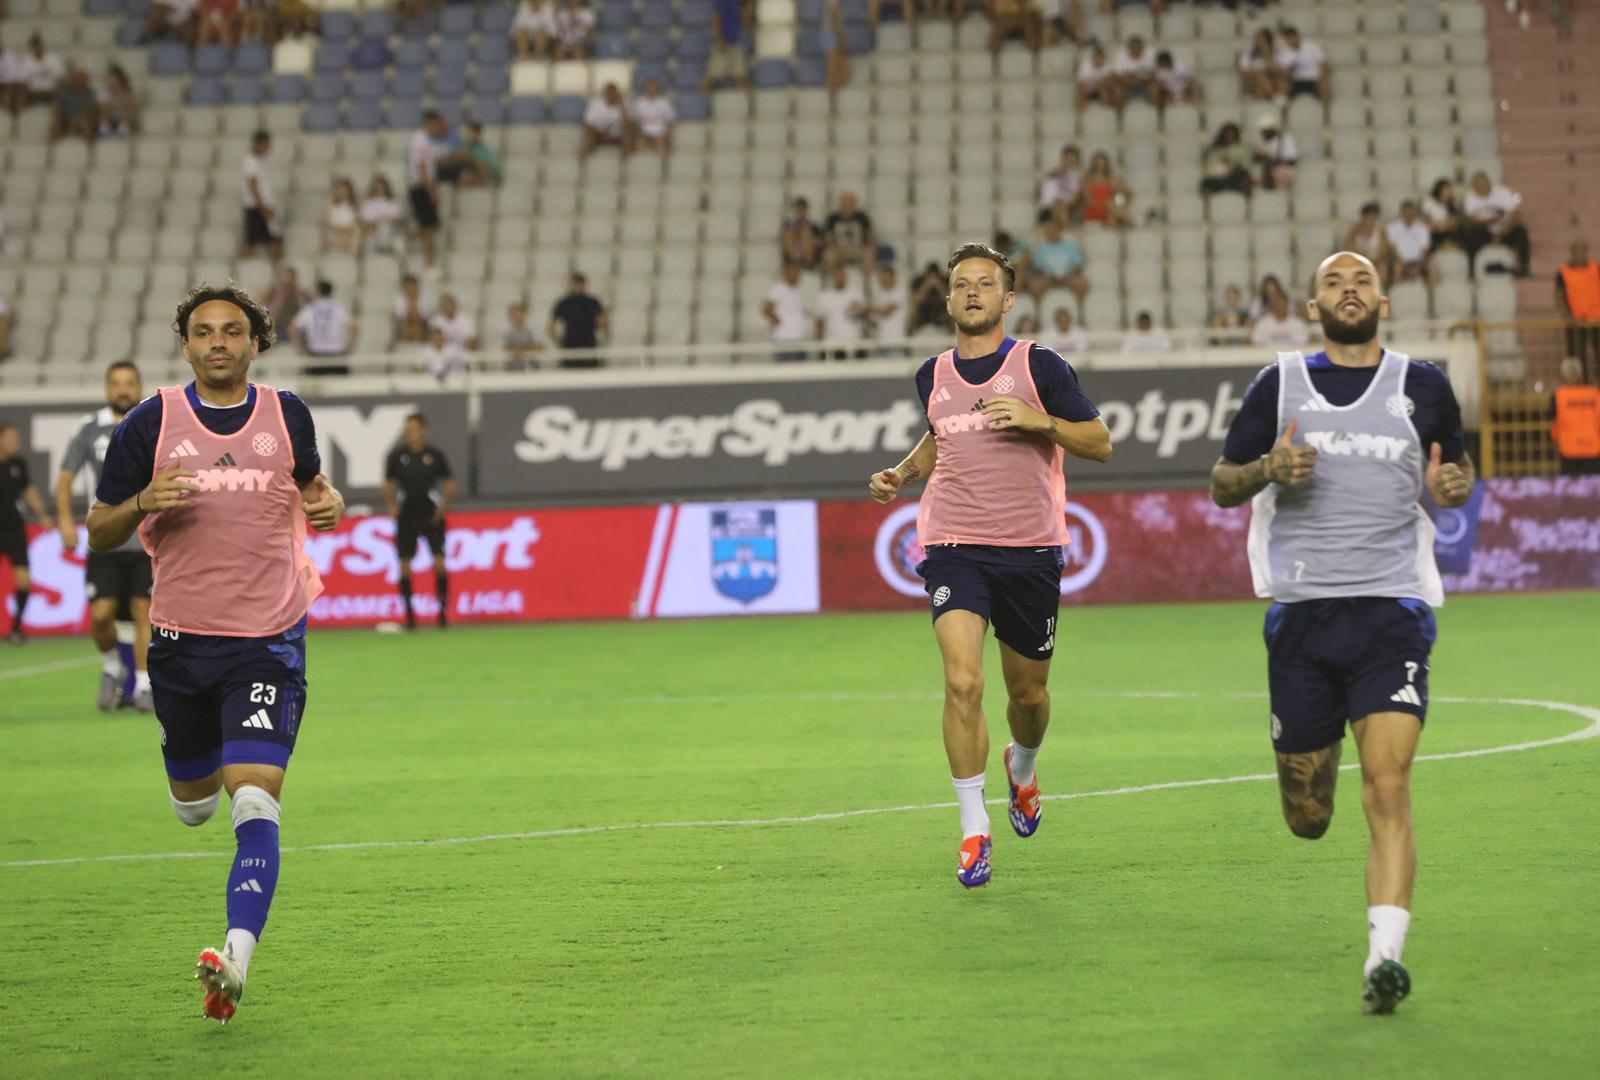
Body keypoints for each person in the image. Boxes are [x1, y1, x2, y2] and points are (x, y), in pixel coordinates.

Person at [1209, 251, 1473, 1017]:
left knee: (1389, 786)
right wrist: (1269, 466)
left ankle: (1383, 959)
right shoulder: (1280, 383)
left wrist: (1456, 482)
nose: (1348, 290)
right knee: (1310, 816)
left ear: (1382, 300)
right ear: (1313, 302)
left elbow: (1455, 466)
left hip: (1391, 613)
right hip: (1302, 617)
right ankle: (1309, 797)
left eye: (1360, 280)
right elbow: (1222, 483)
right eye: (1334, 282)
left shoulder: (1423, 385)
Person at [84, 281, 345, 1024]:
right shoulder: (151, 423)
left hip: (268, 642)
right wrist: (142, 503)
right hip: (178, 647)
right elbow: (100, 529)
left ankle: (234, 957)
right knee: (193, 807)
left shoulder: (287, 414)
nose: (219, 343)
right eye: (204, 332)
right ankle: (190, 785)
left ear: (255, 342)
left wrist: (334, 506)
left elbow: (317, 493)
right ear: (187, 344)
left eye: (233, 331)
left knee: (255, 795)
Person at [866, 241, 1111, 888]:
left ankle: (1022, 767)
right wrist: (903, 472)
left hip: (1031, 550)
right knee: (964, 683)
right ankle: (974, 828)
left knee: (1027, 695)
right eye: (961, 283)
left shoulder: (1041, 366)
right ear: (947, 300)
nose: (972, 291)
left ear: (1007, 299)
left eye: (985, 283)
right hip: (954, 546)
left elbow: (1100, 442)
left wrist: (1040, 420)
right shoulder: (932, 373)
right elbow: (939, 435)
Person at [54, 361, 156, 708]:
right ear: (107, 388)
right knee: (101, 615)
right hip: (105, 537)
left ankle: (144, 685)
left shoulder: (153, 423)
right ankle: (113, 665)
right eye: (116, 383)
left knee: (145, 611)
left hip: (145, 538)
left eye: (129, 382)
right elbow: (65, 480)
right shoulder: (89, 429)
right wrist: (66, 522)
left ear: (139, 386)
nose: (123, 389)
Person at [383, 413, 456, 630]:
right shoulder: (397, 456)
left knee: (440, 563)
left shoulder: (435, 455)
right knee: (405, 565)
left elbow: (450, 483)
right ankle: (410, 618)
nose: (410, 433)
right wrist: (392, 506)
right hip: (406, 515)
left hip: (430, 514)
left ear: (423, 429)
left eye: (413, 428)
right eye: (407, 429)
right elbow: (387, 483)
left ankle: (442, 615)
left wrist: (442, 507)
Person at [1, 420, 56, 643]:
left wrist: (41, 514)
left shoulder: (18, 464)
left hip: (14, 528)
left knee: (24, 581)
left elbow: (29, 489)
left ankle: (16, 629)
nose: (17, 442)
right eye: (13, 438)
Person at [1462, 171, 1530, 276]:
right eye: (1477, 185)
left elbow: (1515, 214)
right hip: (1484, 230)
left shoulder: (1503, 192)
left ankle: (1524, 267)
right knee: (1471, 235)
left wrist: (1502, 232)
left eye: (1482, 184)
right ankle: (1471, 269)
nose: (1480, 187)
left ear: (1488, 183)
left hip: (1505, 229)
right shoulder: (1470, 196)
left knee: (1521, 232)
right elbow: (1471, 220)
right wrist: (1491, 220)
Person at [290, 279, 357, 375]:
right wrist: (349, 349)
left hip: (316, 354)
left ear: (317, 292)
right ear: (331, 291)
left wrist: (302, 350)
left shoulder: (310, 308)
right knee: (341, 388)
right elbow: (355, 328)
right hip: (336, 354)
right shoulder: (338, 307)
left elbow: (292, 329)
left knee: (313, 388)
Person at [406, 111, 447, 266]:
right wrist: (432, 191)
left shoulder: (425, 140)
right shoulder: (420, 141)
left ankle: (404, 239)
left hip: (422, 186)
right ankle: (429, 263)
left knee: (434, 225)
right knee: (429, 227)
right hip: (420, 187)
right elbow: (422, 168)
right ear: (432, 122)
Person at [1555, 240, 1600, 379]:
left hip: (1597, 322)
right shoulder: (1563, 272)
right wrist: (1568, 318)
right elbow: (1559, 296)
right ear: (1572, 253)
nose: (1580, 255)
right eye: (1577, 251)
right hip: (1576, 323)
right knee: (1577, 359)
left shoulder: (1596, 269)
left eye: (1583, 251)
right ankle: (1582, 387)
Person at [1021, 212, 1089, 300]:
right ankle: (1042, 309)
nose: (1051, 231)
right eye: (1049, 229)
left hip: (1068, 277)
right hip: (1049, 279)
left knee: (1083, 284)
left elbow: (1078, 265)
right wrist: (1049, 276)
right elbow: (1037, 268)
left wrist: (1068, 275)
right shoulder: (1041, 248)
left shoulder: (1070, 245)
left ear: (1059, 230)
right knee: (1034, 285)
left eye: (1053, 228)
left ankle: (1076, 308)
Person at [1550, 357, 1600, 474]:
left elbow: (1554, 420)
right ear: (1580, 375)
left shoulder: (1558, 396)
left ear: (1563, 375)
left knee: (1571, 488)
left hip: (1568, 451)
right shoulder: (1595, 394)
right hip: (1594, 449)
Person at [241, 130, 282, 264]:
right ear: (258, 143)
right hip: (256, 207)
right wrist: (264, 209)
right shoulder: (250, 161)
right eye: (266, 145)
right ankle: (243, 270)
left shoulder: (261, 161)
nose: (268, 148)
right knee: (251, 241)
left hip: (265, 205)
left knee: (274, 238)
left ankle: (274, 271)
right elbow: (253, 188)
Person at [549, 273, 606, 367]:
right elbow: (551, 325)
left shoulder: (592, 301)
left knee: (590, 375)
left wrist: (596, 328)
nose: (577, 287)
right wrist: (558, 341)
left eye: (579, 284)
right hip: (569, 344)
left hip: (589, 344)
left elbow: (602, 322)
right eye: (575, 284)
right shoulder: (563, 302)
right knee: (570, 376)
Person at [812, 264, 868, 359]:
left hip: (853, 344)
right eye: (838, 275)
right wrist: (819, 346)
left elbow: (865, 315)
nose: (840, 277)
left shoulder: (855, 294)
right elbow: (819, 322)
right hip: (832, 345)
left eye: (843, 275)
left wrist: (860, 308)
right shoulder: (824, 297)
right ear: (833, 277)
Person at [762, 261, 811, 362]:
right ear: (787, 273)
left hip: (799, 340)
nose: (798, 276)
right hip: (785, 340)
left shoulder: (796, 291)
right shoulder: (779, 289)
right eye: (795, 273)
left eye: (799, 273)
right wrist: (776, 319)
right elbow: (766, 308)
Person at [702, 0, 751, 92]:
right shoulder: (722, 1)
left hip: (735, 44)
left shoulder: (738, 3)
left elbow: (746, 24)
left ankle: (747, 105)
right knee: (712, 76)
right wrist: (719, 39)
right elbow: (715, 19)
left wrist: (745, 6)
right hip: (723, 44)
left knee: (740, 77)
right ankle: (697, 101)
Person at [1345, 201, 1397, 286]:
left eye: (1373, 216)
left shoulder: (1380, 232)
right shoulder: (1354, 231)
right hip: (1358, 260)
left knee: (1383, 266)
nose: (1370, 219)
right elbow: (1349, 248)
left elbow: (1383, 251)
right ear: (1363, 217)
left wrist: (1373, 260)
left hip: (1376, 261)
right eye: (1368, 216)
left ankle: (1379, 290)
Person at [822, 191, 874, 271]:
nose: (848, 206)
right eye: (845, 203)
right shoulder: (833, 218)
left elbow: (870, 235)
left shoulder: (862, 217)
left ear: (855, 204)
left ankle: (867, 280)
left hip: (857, 249)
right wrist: (833, 240)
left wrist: (868, 242)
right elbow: (827, 238)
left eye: (850, 203)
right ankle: (832, 279)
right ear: (841, 204)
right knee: (829, 254)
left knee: (869, 253)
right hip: (839, 249)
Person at [1276, 25, 1329, 103]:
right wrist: (1288, 73)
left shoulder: (1312, 46)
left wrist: (1322, 75)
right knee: (1282, 82)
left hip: (1313, 79)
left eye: (1292, 38)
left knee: (1324, 81)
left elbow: (1323, 63)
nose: (1291, 41)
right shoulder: (1284, 52)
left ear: (1297, 36)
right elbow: (1282, 70)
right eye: (1289, 39)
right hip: (1295, 81)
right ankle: (1282, 110)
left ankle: (1326, 110)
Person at [1386, 200, 1434, 285]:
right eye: (1406, 214)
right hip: (1400, 261)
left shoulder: (1422, 228)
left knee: (1433, 267)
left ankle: (1432, 296)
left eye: (1411, 214)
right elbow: (1392, 249)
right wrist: (1404, 266)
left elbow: (1425, 250)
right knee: (1397, 267)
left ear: (1415, 213)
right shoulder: (1392, 227)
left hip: (1418, 261)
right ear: (1401, 213)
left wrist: (1418, 266)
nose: (1409, 216)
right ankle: (1396, 293)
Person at [1079, 150, 1131, 227]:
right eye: (1098, 163)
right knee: (1110, 205)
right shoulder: (1088, 179)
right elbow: (1088, 200)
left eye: (1102, 163)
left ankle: (1112, 236)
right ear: (1094, 164)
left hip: (1109, 210)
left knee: (1112, 216)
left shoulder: (1110, 179)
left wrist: (1121, 184)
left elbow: (1129, 193)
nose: (1100, 166)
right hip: (1094, 209)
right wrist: (1105, 205)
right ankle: (1129, 219)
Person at [49, 66, 100, 144]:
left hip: (81, 119)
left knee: (85, 123)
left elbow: (90, 110)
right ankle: (51, 149)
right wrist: (60, 115)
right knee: (55, 122)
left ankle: (90, 149)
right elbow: (57, 106)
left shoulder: (90, 93)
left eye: (84, 80)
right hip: (65, 119)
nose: (80, 82)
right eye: (78, 80)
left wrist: (77, 120)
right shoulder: (63, 90)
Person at [1202, 122, 1253, 196]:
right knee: (1207, 182)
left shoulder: (1243, 149)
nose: (1229, 137)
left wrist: (1233, 164)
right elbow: (1210, 166)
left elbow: (1246, 164)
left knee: (1242, 175)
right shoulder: (1215, 150)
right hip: (1218, 177)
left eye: (1232, 134)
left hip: (1235, 176)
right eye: (1227, 134)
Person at [580, 81, 628, 159]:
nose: (611, 95)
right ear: (604, 94)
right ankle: (583, 163)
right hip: (600, 134)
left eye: (613, 93)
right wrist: (600, 130)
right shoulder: (595, 104)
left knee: (628, 134)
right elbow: (587, 123)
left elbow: (627, 124)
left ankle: (625, 164)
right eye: (609, 93)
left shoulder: (622, 105)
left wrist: (621, 106)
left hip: (616, 136)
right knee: (588, 133)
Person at [631, 78, 675, 158]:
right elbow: (634, 120)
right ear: (645, 88)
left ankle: (663, 167)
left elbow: (670, 120)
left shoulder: (664, 102)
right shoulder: (639, 102)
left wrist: (667, 134)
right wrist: (637, 132)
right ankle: (639, 166)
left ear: (657, 88)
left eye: (653, 87)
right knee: (639, 145)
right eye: (649, 87)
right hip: (643, 133)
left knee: (661, 145)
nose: (651, 89)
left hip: (660, 133)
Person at [359, 174, 404, 255]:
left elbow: (398, 219)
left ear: (386, 188)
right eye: (378, 188)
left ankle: (384, 248)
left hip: (391, 230)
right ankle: (382, 249)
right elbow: (364, 221)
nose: (380, 191)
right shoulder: (368, 203)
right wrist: (377, 221)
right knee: (379, 229)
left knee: (386, 228)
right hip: (373, 231)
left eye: (382, 188)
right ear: (374, 189)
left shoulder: (393, 203)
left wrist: (384, 219)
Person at [1038, 144, 1082, 225]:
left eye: (1073, 159)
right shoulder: (1052, 175)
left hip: (1067, 209)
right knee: (1059, 205)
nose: (1070, 162)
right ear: (1063, 159)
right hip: (1049, 210)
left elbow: (1074, 199)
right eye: (1068, 159)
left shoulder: (1076, 178)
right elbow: (1047, 199)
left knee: (1062, 207)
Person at [1238, 27, 1284, 102]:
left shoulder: (1275, 54)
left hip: (1269, 81)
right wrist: (1257, 73)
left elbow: (1275, 70)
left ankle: (1265, 100)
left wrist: (1267, 54)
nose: (1259, 42)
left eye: (1262, 40)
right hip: (1251, 80)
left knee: (1261, 89)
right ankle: (1273, 96)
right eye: (1258, 40)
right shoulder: (1249, 54)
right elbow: (1243, 72)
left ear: (1268, 42)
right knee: (1259, 74)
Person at [1254, 112, 1297, 190]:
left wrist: (1275, 160)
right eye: (1263, 132)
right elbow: (1256, 159)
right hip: (1268, 171)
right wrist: (1259, 157)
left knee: (1269, 169)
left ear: (1273, 129)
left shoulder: (1285, 139)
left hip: (1284, 171)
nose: (1264, 134)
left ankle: (1269, 187)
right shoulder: (1264, 143)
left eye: (1266, 131)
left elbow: (1292, 160)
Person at [1421, 178, 1464, 254]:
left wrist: (1440, 224)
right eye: (1446, 190)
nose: (1450, 192)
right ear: (1439, 190)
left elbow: (1454, 224)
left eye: (1450, 190)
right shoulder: (1429, 202)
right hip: (1434, 234)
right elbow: (1429, 225)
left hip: (1449, 233)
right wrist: (1444, 224)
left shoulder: (1452, 203)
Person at [1075, 40, 1120, 110]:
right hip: (1088, 90)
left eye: (1101, 58)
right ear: (1093, 58)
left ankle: (1105, 112)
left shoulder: (1108, 66)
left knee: (1104, 89)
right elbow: (1080, 83)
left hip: (1103, 89)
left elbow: (1113, 78)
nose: (1099, 60)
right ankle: (1082, 116)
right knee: (1080, 93)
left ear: (1103, 58)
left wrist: (1104, 81)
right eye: (1097, 58)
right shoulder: (1085, 65)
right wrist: (1089, 87)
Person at [781, 197, 823, 270]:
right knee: (789, 234)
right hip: (794, 250)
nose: (800, 211)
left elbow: (819, 240)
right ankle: (793, 262)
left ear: (806, 210)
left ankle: (807, 264)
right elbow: (785, 241)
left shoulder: (813, 224)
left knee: (805, 233)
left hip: (809, 253)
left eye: (802, 209)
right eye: (798, 209)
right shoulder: (788, 223)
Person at [98, 63, 139, 136]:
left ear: (119, 79)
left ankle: (124, 126)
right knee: (106, 104)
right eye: (110, 78)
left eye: (114, 78)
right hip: (110, 117)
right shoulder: (104, 92)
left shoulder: (127, 91)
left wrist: (119, 94)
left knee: (128, 103)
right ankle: (104, 126)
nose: (112, 81)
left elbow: (131, 103)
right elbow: (102, 106)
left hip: (123, 117)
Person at [391, 272, 432, 344]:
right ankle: (406, 344)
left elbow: (422, 318)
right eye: (408, 285)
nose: (411, 288)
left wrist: (414, 303)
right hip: (404, 323)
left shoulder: (424, 298)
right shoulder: (399, 299)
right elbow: (404, 318)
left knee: (417, 326)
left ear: (417, 286)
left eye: (413, 285)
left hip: (421, 323)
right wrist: (411, 303)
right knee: (407, 326)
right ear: (404, 287)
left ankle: (419, 343)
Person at [1113, 35, 1156, 102]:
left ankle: (1156, 110)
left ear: (1142, 48)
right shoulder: (1120, 56)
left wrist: (1141, 81)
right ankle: (1119, 111)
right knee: (1118, 89)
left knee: (1154, 87)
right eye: (1134, 47)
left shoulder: (1150, 54)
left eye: (1139, 47)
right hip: (1126, 85)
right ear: (1129, 48)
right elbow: (1117, 74)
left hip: (1144, 84)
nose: (1136, 49)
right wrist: (1129, 82)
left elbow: (1154, 73)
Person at [501, 301, 543, 370]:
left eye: (520, 313)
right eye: (515, 313)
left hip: (530, 363)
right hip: (512, 364)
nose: (518, 316)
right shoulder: (506, 331)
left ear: (524, 314)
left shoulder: (531, 330)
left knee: (532, 365)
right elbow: (507, 350)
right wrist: (528, 349)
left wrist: (520, 350)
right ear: (511, 315)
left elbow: (539, 347)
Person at [323, 177, 360, 255]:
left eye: (345, 189)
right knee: (354, 236)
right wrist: (340, 229)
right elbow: (328, 222)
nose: (343, 191)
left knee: (356, 231)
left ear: (349, 190)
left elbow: (357, 221)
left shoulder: (353, 203)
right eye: (341, 189)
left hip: (349, 231)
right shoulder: (330, 201)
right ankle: (352, 257)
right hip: (335, 231)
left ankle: (352, 257)